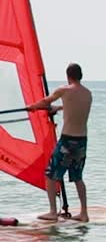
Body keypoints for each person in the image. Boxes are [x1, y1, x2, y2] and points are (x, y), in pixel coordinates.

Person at [27, 63, 92, 221]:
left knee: (50, 175)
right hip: (82, 140)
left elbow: (44, 101)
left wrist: (33, 107)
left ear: (68, 76)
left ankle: (52, 212)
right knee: (78, 177)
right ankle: (84, 213)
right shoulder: (87, 93)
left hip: (67, 141)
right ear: (80, 75)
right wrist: (59, 108)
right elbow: (73, 105)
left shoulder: (64, 90)